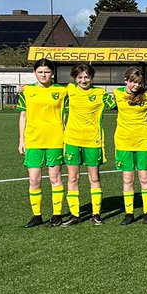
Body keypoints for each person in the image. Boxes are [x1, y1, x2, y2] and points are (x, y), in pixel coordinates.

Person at [18, 58, 68, 227]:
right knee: (34, 180)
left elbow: (68, 114)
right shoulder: (27, 92)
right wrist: (21, 140)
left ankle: (57, 215)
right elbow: (23, 116)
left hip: (55, 139)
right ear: (34, 73)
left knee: (55, 177)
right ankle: (37, 215)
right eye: (40, 72)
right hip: (33, 140)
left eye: (47, 71)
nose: (43, 75)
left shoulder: (62, 91)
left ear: (52, 73)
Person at [106, 66, 147, 225]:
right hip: (123, 141)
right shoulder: (117, 94)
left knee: (144, 177)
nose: (136, 85)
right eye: (133, 82)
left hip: (144, 141)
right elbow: (109, 106)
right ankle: (129, 213)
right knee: (127, 178)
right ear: (126, 81)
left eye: (139, 83)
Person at [62, 63, 107, 225]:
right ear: (74, 78)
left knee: (94, 177)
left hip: (93, 141)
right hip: (72, 140)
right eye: (79, 77)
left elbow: (123, 102)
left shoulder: (101, 93)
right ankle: (75, 215)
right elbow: (47, 90)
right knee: (73, 178)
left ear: (92, 77)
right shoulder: (69, 90)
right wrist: (26, 88)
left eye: (86, 77)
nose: (83, 80)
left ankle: (96, 213)